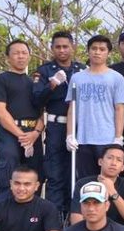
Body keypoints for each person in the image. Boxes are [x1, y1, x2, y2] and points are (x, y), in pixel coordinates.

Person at [34, 31, 86, 216]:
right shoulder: (45, 70)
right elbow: (37, 99)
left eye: (65, 46)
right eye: (58, 47)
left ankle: (74, 218)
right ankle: (55, 221)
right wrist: (53, 84)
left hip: (79, 128)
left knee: (77, 174)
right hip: (56, 127)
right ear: (52, 48)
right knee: (55, 174)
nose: (62, 50)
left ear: (73, 47)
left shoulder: (82, 69)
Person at [66, 35, 124, 180]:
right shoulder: (77, 78)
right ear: (88, 51)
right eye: (94, 48)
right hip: (83, 138)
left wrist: (118, 137)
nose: (97, 52)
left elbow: (119, 109)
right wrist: (69, 135)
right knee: (85, 179)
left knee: (107, 179)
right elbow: (71, 108)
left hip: (107, 138)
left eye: (102, 49)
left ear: (108, 53)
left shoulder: (116, 78)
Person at [0, 40, 44, 198]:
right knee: (8, 176)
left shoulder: (36, 83)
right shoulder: (1, 80)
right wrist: (21, 136)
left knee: (35, 176)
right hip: (10, 133)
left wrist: (35, 133)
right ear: (8, 57)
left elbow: (43, 112)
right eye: (16, 53)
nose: (20, 56)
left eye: (24, 53)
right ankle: (3, 218)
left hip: (33, 135)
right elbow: (0, 111)